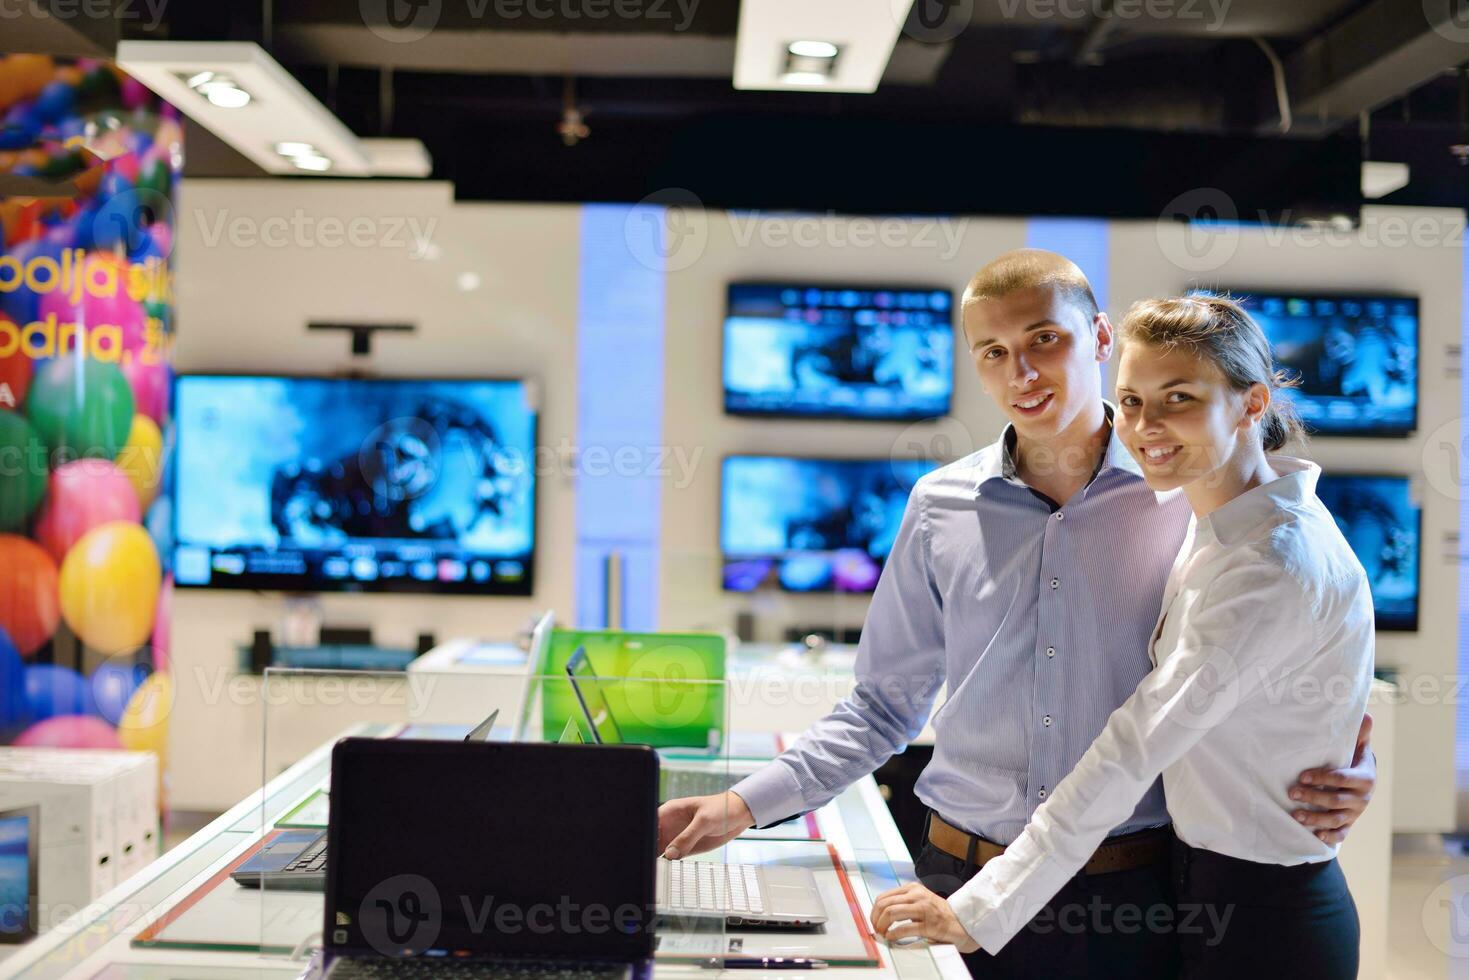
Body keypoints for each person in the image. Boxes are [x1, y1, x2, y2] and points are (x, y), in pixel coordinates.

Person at [658, 251, 1378, 980]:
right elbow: (881, 706)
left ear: (1099, 338)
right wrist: (742, 806)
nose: (1021, 373)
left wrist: (1333, 758)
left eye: (1044, 340)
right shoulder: (939, 505)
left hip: (1130, 891)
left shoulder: (1187, 494)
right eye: (994, 353)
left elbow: (1260, 650)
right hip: (951, 871)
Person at [867, 294, 1372, 978]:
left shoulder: (1270, 563)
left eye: (1177, 398)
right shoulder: (1217, 518)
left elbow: (1132, 748)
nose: (1144, 426)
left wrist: (977, 910)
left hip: (1263, 917)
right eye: (1130, 400)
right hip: (1193, 886)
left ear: (1252, 404)